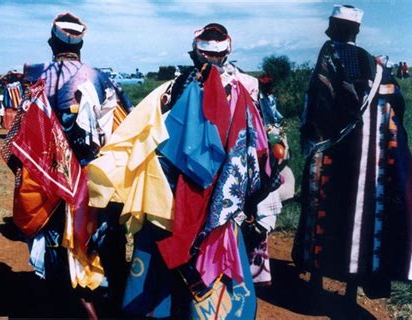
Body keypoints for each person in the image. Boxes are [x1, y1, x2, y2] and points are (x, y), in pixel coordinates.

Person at [87, 22, 280, 318]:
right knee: (212, 288)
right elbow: (262, 157)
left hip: (166, 206)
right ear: (227, 55)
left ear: (193, 55)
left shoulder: (167, 93)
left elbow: (131, 142)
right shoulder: (244, 96)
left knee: (156, 283)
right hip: (219, 211)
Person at [1, 12, 132, 318]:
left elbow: (16, 140)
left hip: (49, 179)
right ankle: (104, 298)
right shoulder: (101, 78)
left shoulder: (36, 79)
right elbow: (126, 129)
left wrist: (27, 171)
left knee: (57, 241)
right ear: (82, 43)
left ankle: (73, 300)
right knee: (100, 239)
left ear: (51, 42)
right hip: (95, 177)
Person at [294, 4, 412, 312]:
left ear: (332, 27)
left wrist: (311, 140)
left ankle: (317, 280)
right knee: (358, 219)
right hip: (367, 158)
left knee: (322, 209)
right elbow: (395, 100)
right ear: (356, 31)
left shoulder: (328, 56)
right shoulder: (372, 64)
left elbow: (317, 104)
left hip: (332, 156)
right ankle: (349, 290)